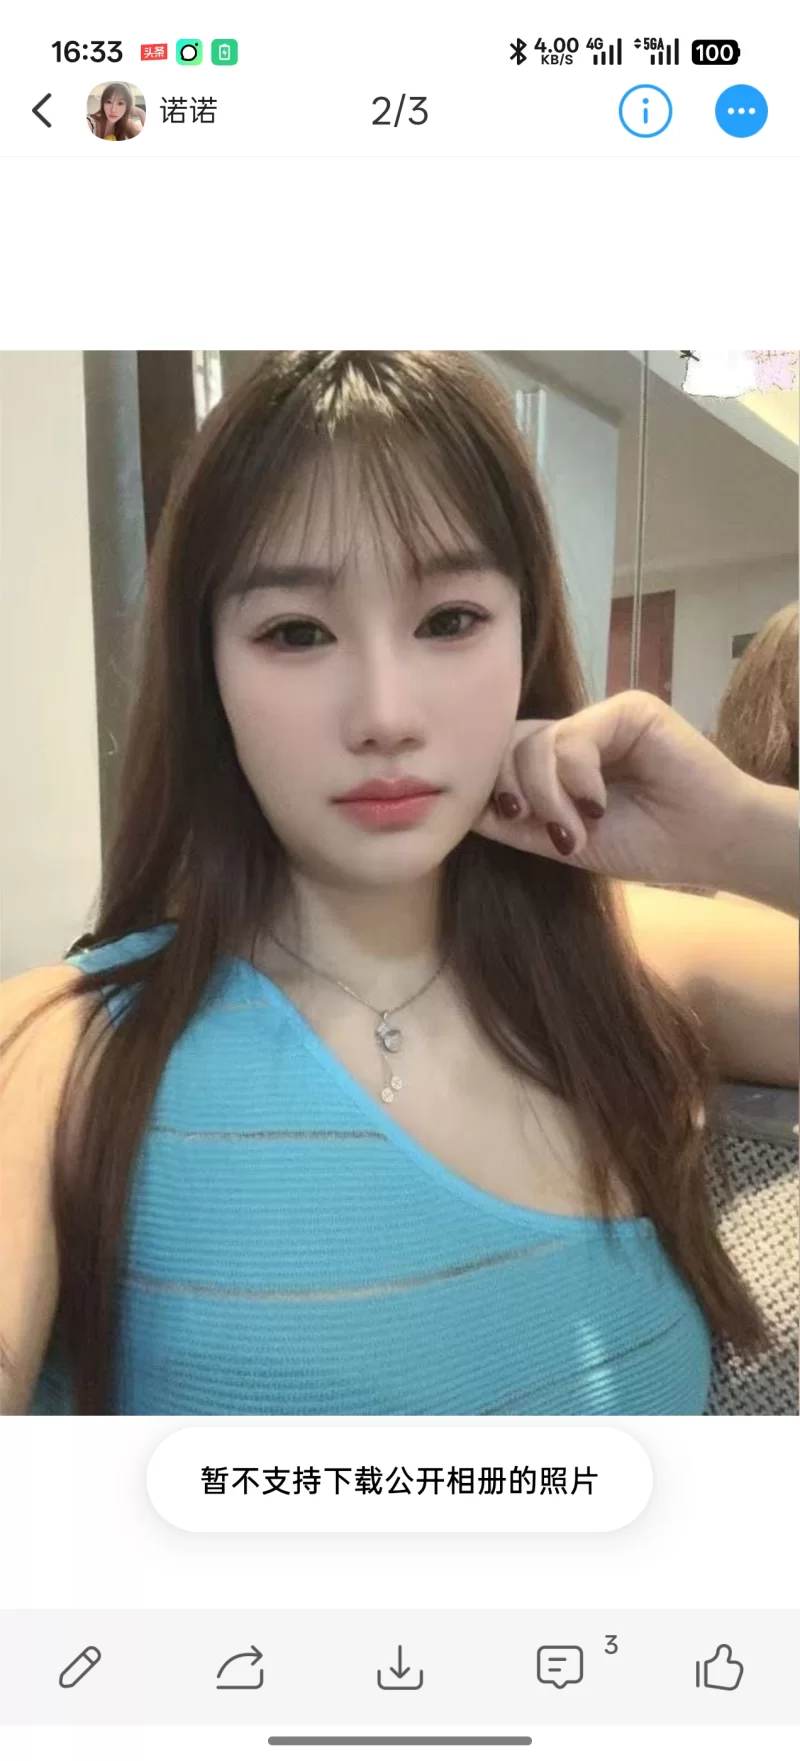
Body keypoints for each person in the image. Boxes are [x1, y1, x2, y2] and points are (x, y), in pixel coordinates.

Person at [1, 352, 796, 1418]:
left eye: (449, 620)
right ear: (208, 671)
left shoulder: (620, 954)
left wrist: (740, 835)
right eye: (295, 631)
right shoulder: (66, 1046)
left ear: (526, 635)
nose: (384, 713)